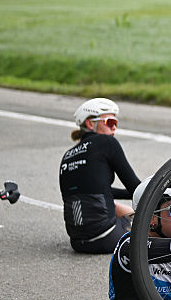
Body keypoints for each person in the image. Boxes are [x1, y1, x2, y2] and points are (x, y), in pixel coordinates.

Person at [59, 97, 141, 253]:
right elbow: (136, 187)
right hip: (106, 238)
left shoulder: (67, 155)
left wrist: (127, 195)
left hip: (77, 242)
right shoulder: (106, 143)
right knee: (153, 223)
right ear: (91, 123)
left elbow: (97, 189)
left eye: (116, 124)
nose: (114, 128)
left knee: (112, 204)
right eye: (110, 123)